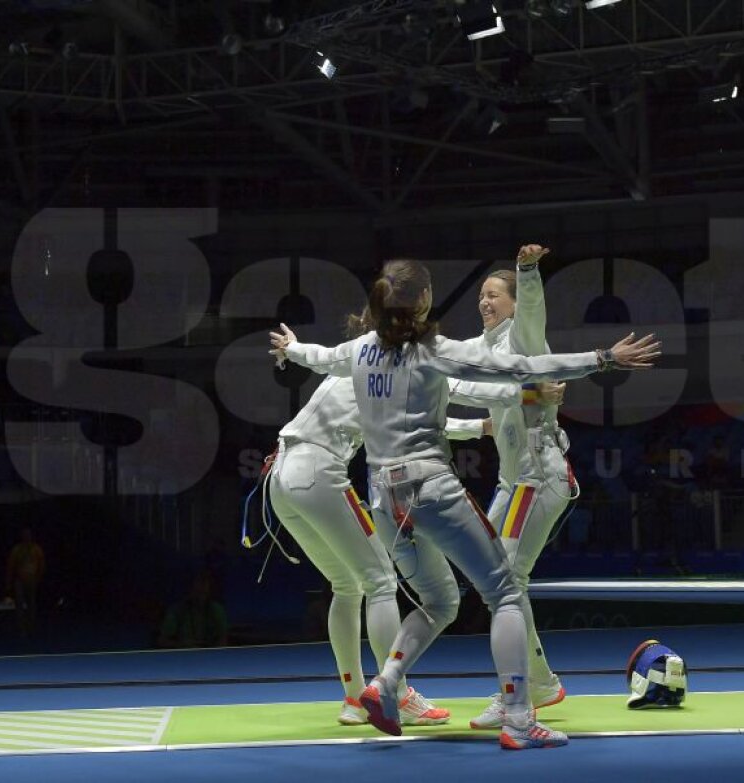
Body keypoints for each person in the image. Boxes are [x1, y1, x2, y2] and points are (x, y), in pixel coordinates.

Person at [271, 257, 659, 750]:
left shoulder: (361, 351)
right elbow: (517, 366)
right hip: (429, 489)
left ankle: (386, 684)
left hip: (384, 499)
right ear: (424, 301)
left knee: (439, 601)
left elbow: (320, 357)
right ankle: (520, 717)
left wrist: (292, 347)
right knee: (506, 593)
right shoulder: (432, 350)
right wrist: (602, 358)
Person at [265, 346, 544, 726]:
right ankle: (393, 693)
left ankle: (353, 698)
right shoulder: (380, 372)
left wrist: (480, 427)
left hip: (279, 474)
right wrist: (523, 396)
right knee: (380, 581)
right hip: (317, 471)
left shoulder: (348, 367)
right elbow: (438, 406)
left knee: (345, 585)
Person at [439, 245, 579, 729]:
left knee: (509, 581)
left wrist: (527, 271)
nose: (484, 301)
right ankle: (534, 681)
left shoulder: (524, 338)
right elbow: (472, 406)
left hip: (538, 478)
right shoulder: (481, 349)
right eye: (481, 294)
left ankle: (521, 690)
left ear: (516, 305)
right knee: (492, 582)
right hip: (511, 485)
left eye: (494, 294)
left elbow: (534, 306)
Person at [157, 572, 228, 648]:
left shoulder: (217, 609)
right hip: (184, 655)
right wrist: (182, 644)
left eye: (204, 593)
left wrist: (212, 653)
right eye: (198, 592)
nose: (201, 597)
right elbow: (162, 641)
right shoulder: (177, 610)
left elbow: (223, 639)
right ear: (189, 590)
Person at [6, 527, 45, 638]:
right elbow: (10, 566)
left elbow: (42, 564)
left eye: (28, 535)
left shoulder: (36, 549)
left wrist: (38, 578)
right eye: (24, 535)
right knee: (19, 606)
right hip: (19, 581)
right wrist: (8, 583)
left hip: (32, 580)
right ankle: (21, 629)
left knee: (32, 605)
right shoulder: (17, 549)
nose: (27, 537)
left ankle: (31, 628)